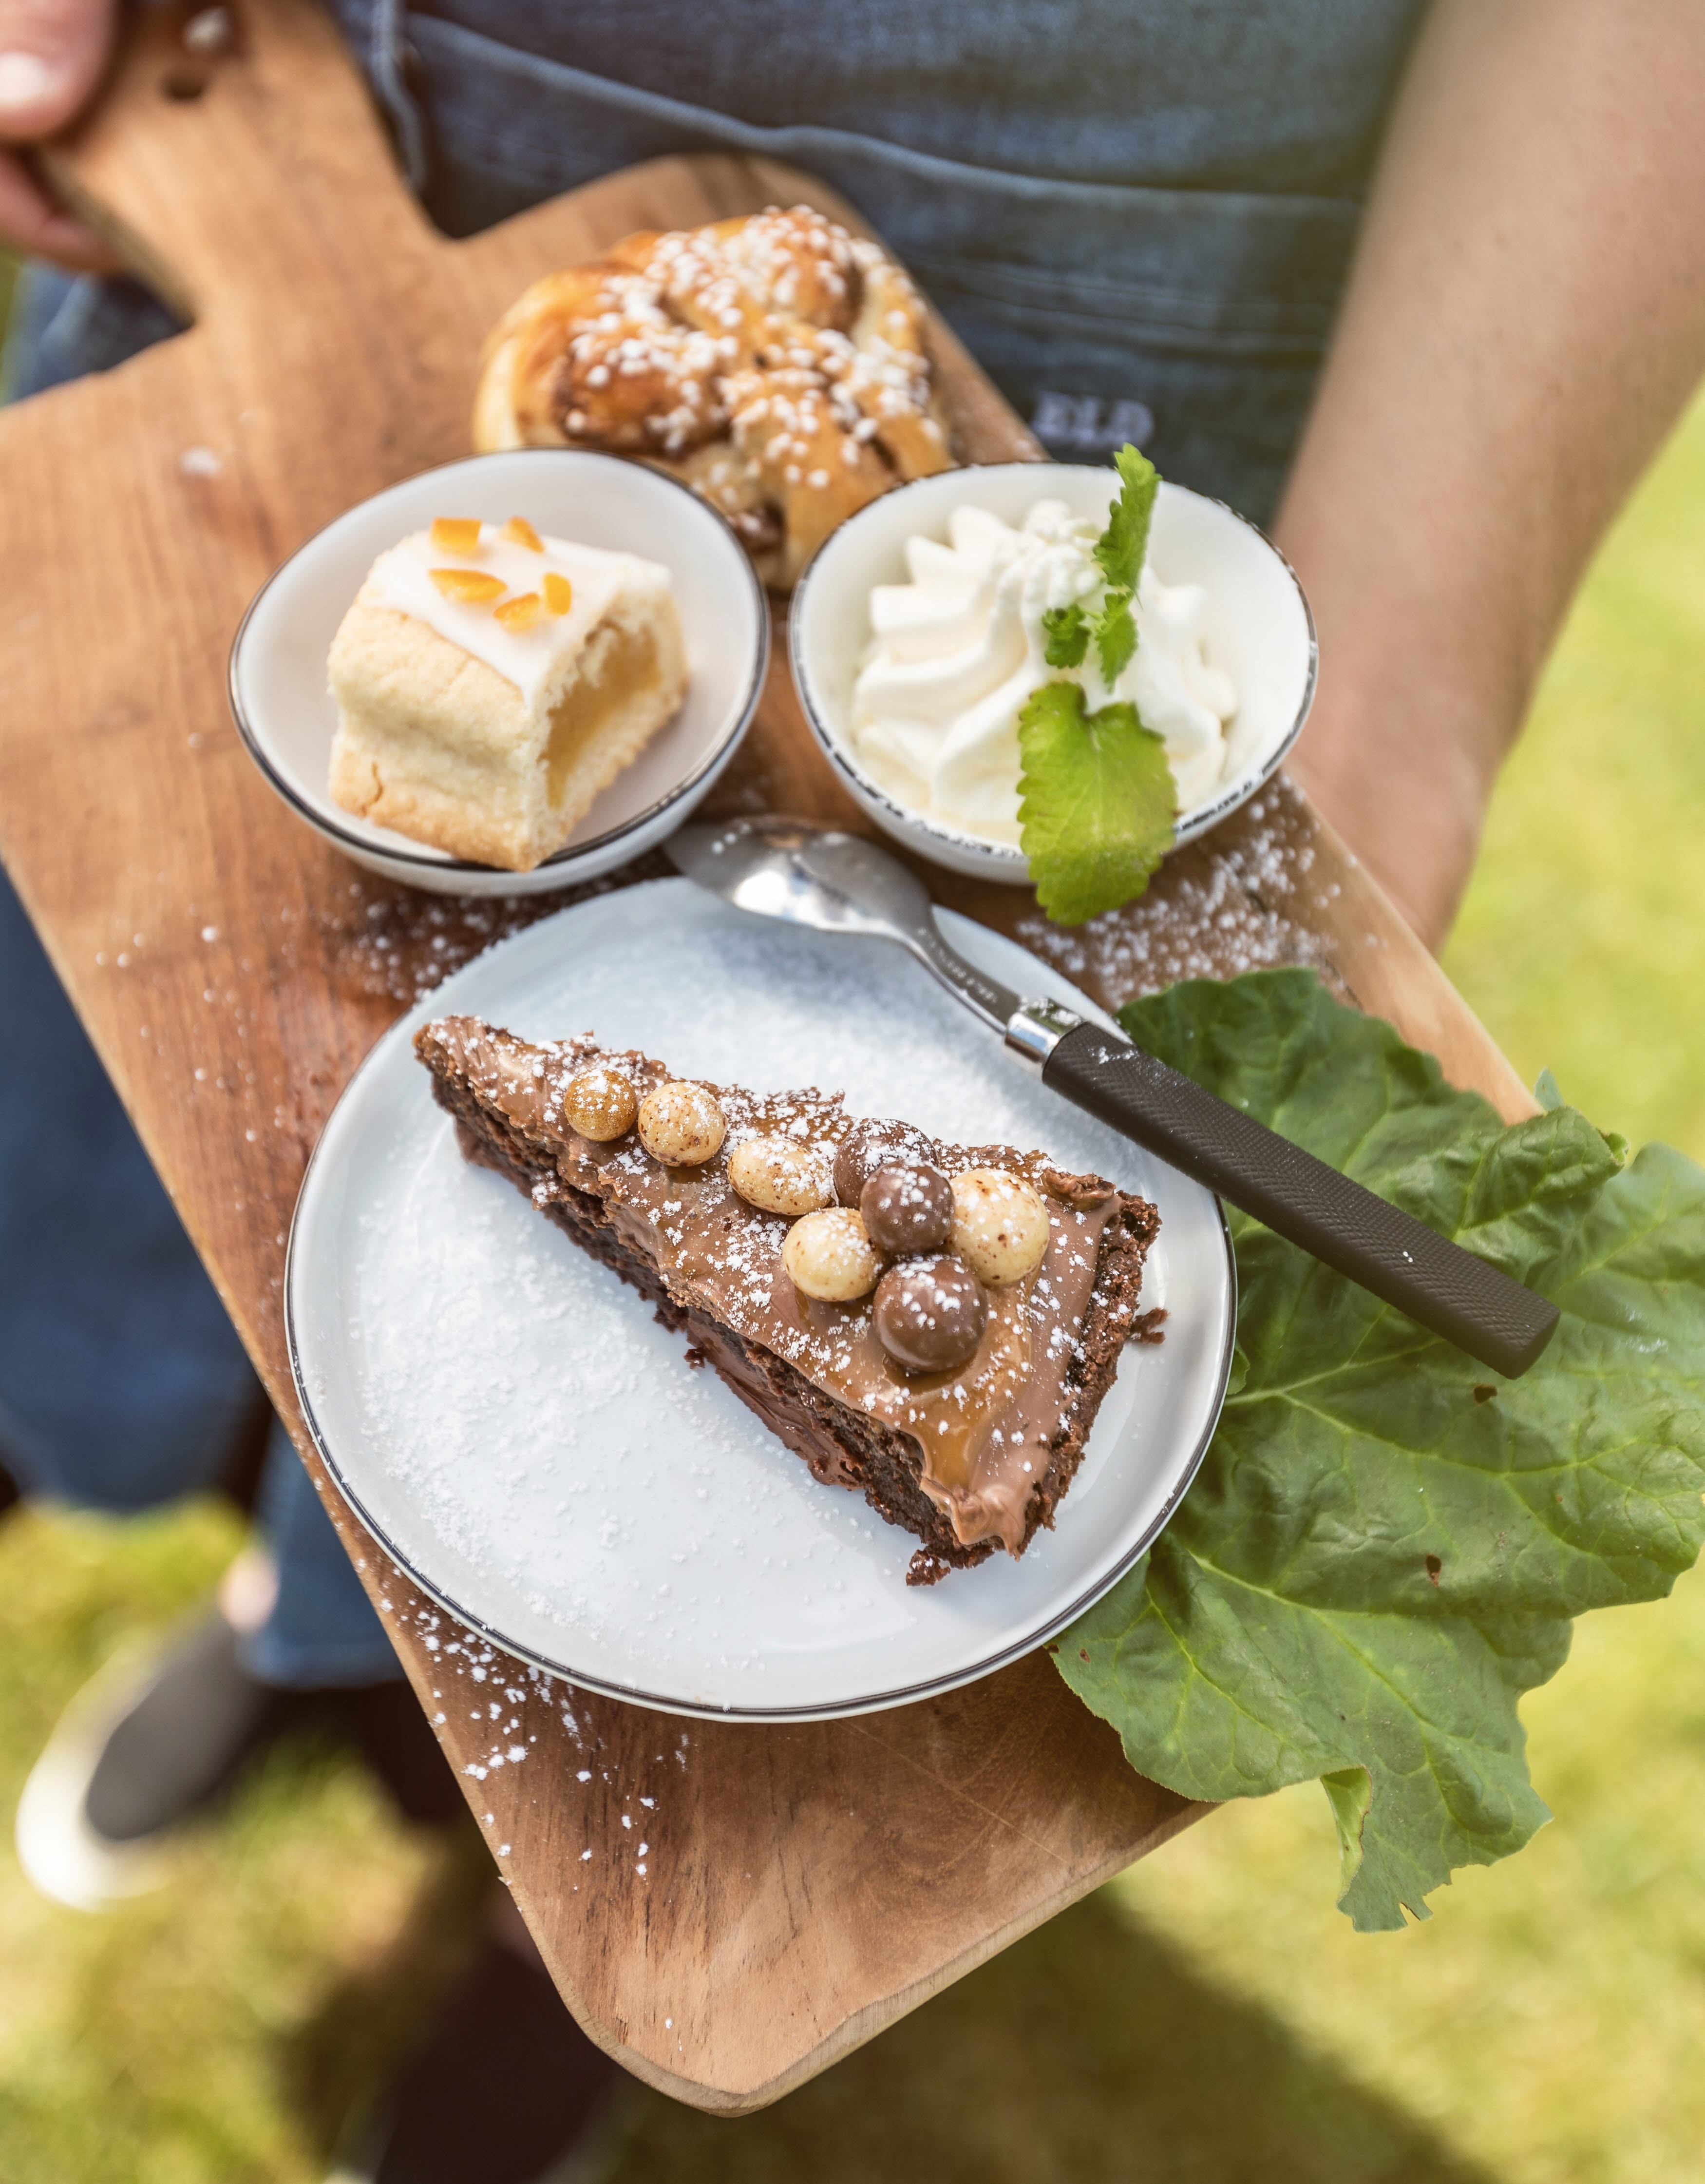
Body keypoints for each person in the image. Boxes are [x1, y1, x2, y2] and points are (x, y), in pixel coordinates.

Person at [3, 3, 1704, 2180]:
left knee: (752, 1662)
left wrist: (1399, 715)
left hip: (1046, 350)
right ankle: (307, 1634)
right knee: (226, 1155)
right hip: (316, 103)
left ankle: (565, 1959)